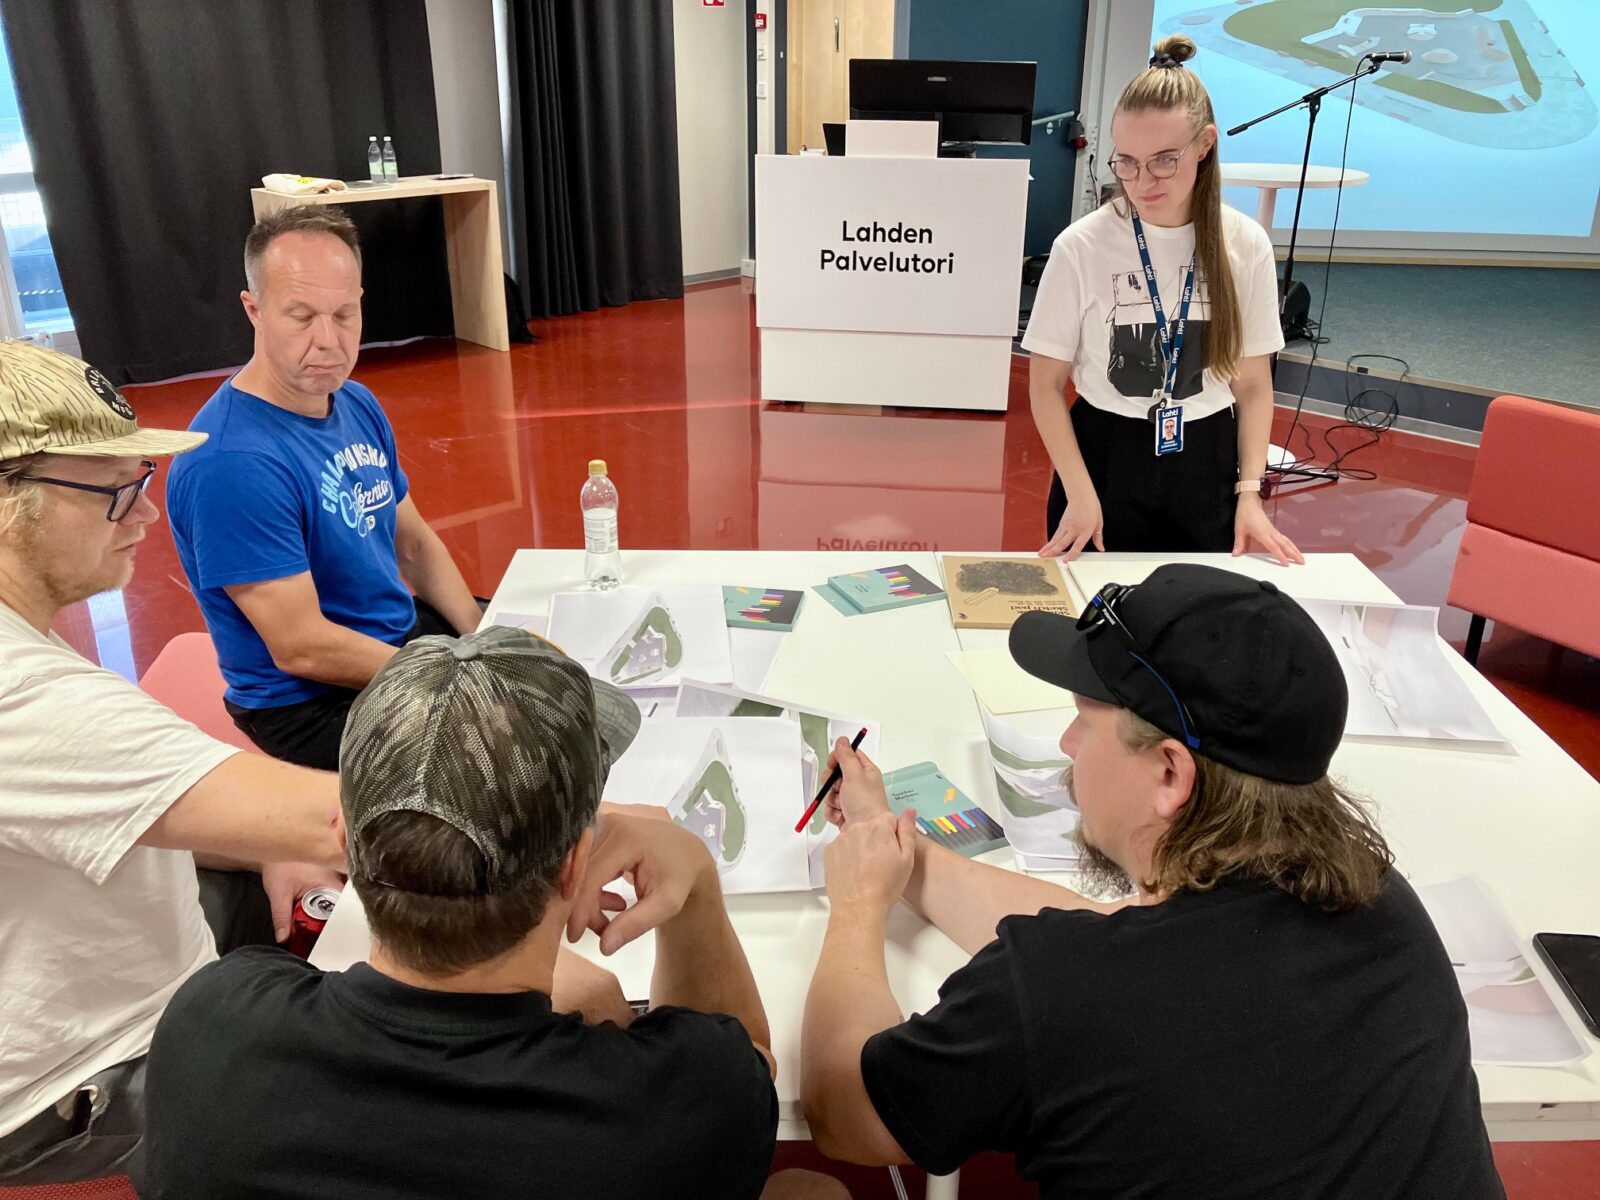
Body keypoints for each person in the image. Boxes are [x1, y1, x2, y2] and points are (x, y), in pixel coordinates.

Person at [801, 563, 1505, 1199]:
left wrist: (858, 906)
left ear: (1171, 772)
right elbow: (1122, 943)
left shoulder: (1057, 990)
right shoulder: (1383, 903)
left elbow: (845, 1114)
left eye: (1084, 722)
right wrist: (902, 854)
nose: (1067, 745)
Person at [138, 627, 847, 1200]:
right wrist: (695, 881)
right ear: (574, 865)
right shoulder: (685, 1103)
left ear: (345, 836)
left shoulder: (211, 1024)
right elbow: (749, 1068)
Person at [0, 340, 346, 1186]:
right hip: (80, 1072)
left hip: (110, 952)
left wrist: (263, 841)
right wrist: (586, 819)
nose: (145, 517)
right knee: (401, 1090)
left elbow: (134, 797)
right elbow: (341, 820)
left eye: (140, 482)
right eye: (115, 492)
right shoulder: (23, 695)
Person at [166, 203, 484, 771]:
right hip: (310, 702)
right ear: (254, 310)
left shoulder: (355, 401)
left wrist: (482, 638)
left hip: (392, 639)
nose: (329, 341)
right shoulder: (231, 463)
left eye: (343, 314)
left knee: (539, 655)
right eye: (302, 316)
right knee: (505, 755)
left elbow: (413, 544)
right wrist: (456, 678)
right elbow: (302, 647)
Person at [1023, 35, 1303, 567]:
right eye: (1126, 163)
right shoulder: (1080, 246)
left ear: (1205, 145)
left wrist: (1249, 494)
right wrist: (1081, 494)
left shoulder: (1244, 244)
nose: (1142, 182)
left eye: (1164, 161)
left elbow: (1251, 385)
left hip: (1206, 459)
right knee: (1097, 609)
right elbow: (1045, 385)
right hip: (1105, 458)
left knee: (1198, 611)